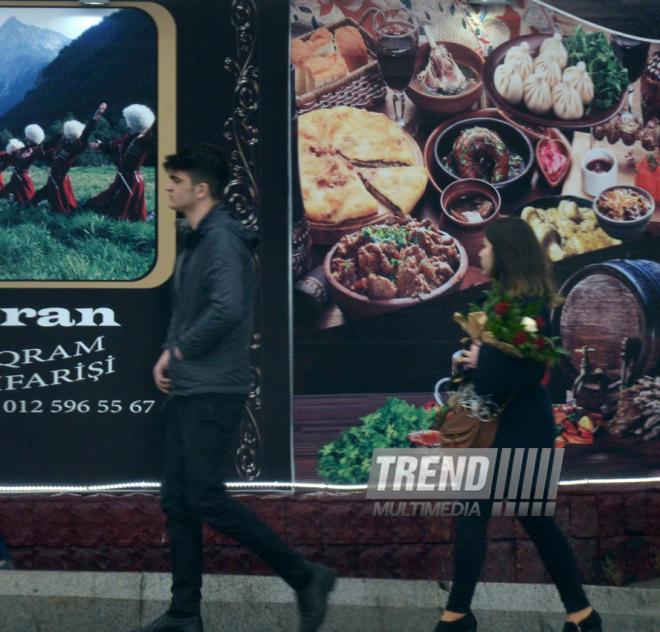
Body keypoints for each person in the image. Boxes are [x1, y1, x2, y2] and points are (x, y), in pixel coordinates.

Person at [138, 144, 337, 632]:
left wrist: (178, 350)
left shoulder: (223, 240)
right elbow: (197, 307)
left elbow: (227, 309)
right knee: (177, 501)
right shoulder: (200, 238)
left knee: (203, 496)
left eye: (176, 179)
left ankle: (306, 575)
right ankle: (185, 612)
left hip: (213, 390)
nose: (167, 186)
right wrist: (175, 353)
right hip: (191, 388)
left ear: (200, 189)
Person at [434, 217, 601, 632]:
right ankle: (579, 615)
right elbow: (503, 366)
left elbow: (528, 372)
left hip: (522, 430)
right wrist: (469, 361)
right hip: (503, 428)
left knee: (512, 520)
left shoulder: (527, 307)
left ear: (506, 253)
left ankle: (459, 617)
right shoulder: (504, 300)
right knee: (489, 518)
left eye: (488, 246)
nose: (480, 253)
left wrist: (481, 359)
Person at [30, 103, 107, 215]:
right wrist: (31, 153)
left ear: (70, 133)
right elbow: (45, 153)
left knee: (63, 209)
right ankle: (38, 206)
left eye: (65, 132)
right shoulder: (62, 148)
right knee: (36, 200)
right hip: (53, 180)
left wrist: (96, 117)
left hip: (60, 181)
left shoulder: (75, 147)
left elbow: (86, 133)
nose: (63, 134)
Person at [85, 103, 155, 221]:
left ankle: (147, 218)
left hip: (132, 180)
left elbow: (154, 137)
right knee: (102, 201)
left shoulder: (144, 140)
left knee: (126, 214)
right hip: (122, 178)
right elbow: (114, 145)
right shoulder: (128, 138)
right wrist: (100, 145)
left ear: (133, 122)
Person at [0, 124, 45, 204]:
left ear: (29, 138)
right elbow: (10, 155)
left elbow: (9, 156)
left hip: (22, 178)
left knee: (26, 200)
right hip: (18, 176)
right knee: (10, 195)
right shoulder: (26, 149)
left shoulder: (31, 150)